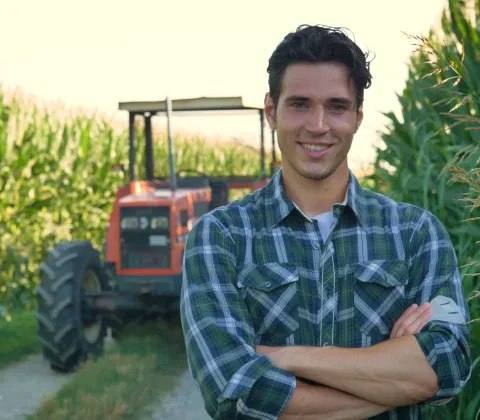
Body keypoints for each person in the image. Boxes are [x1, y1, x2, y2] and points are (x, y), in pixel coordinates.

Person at [180, 24, 472, 420]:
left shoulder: (416, 234)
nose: (318, 125)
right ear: (271, 111)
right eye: (300, 103)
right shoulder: (221, 237)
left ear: (357, 117)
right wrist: (400, 379)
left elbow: (448, 368)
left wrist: (289, 358)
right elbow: (235, 393)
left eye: (336, 106)